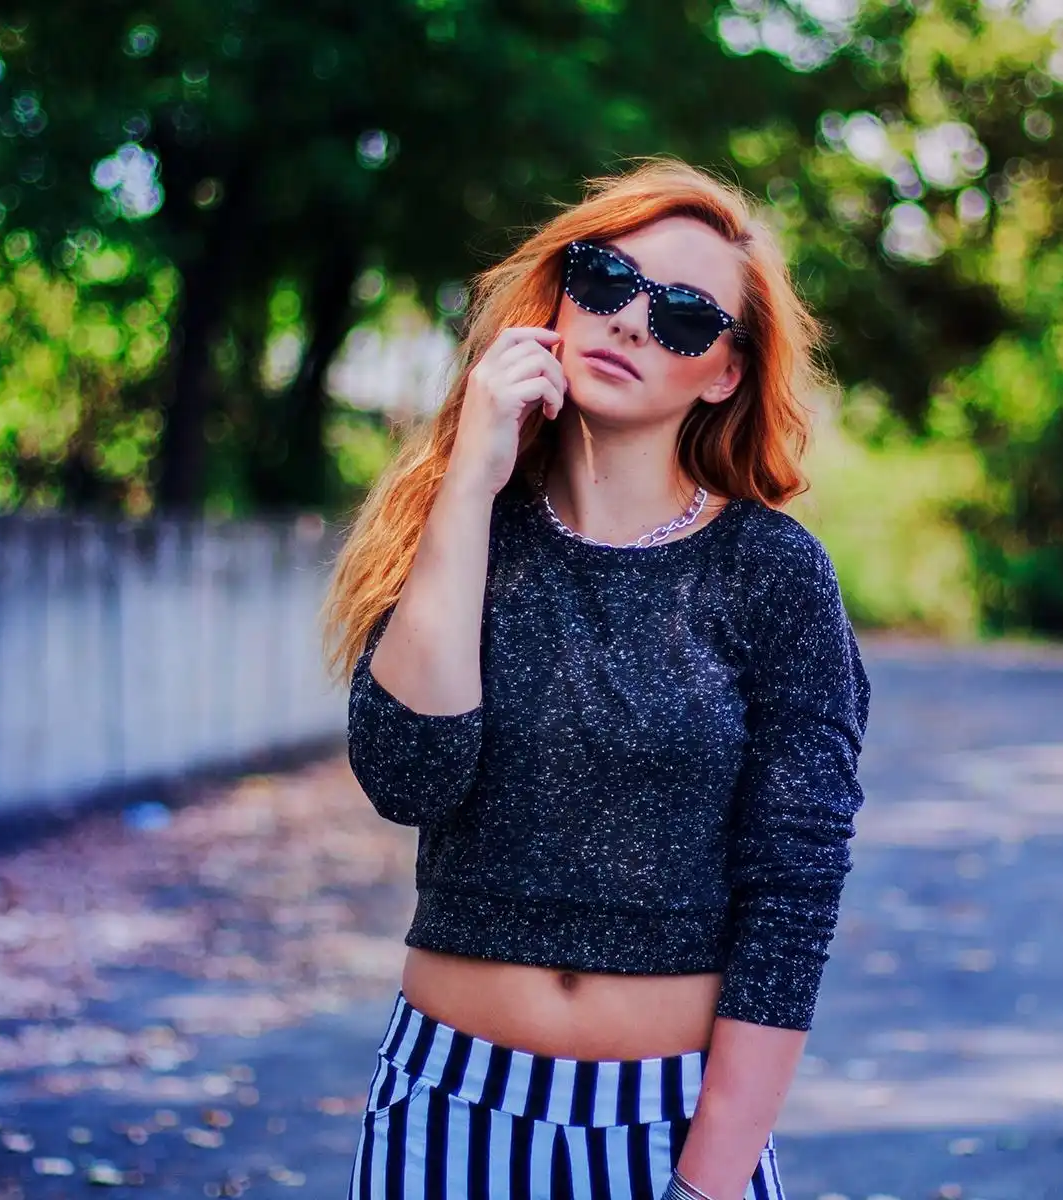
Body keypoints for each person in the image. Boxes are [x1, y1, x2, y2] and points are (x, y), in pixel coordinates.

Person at [321, 156, 872, 1200]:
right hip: (447, 1107)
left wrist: (709, 1180)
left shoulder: (772, 574)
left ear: (725, 373)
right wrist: (470, 480)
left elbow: (794, 895)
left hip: (666, 1124)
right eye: (607, 280)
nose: (629, 321)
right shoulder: (470, 536)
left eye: (683, 315)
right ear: (560, 299)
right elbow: (407, 774)